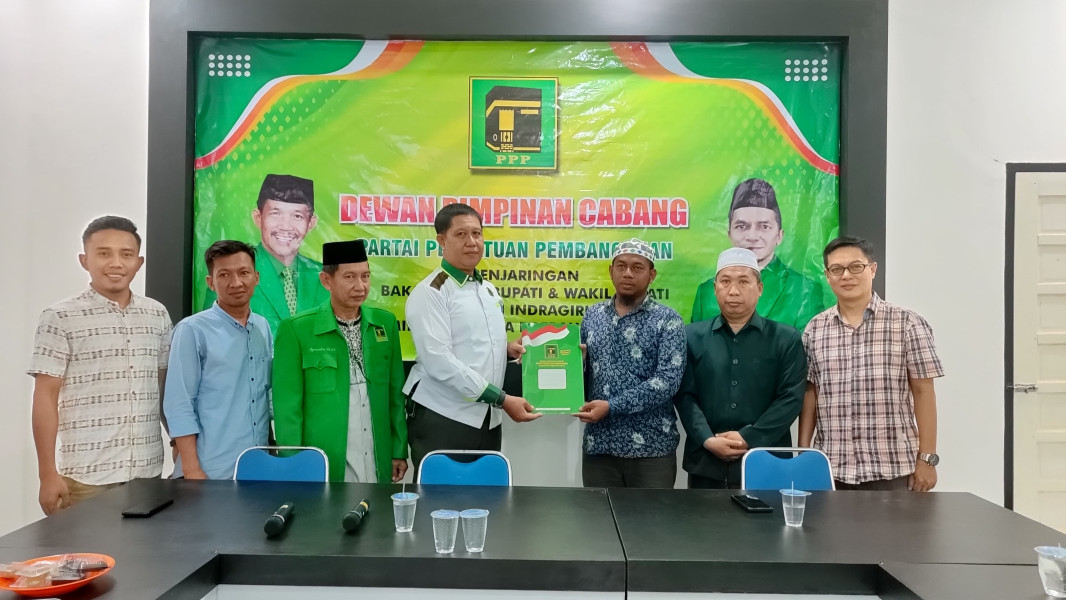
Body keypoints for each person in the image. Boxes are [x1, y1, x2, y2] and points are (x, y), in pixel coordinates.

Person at [28, 216, 172, 514]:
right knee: (87, 547)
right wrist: (47, 475)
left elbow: (163, 390)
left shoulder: (157, 315)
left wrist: (177, 444)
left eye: (126, 254)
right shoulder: (59, 317)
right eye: (104, 253)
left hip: (147, 473)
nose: (116, 263)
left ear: (139, 262)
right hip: (87, 477)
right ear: (84, 260)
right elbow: (45, 396)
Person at [404, 203, 541, 476]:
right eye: (461, 234)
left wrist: (507, 350)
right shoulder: (431, 292)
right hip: (444, 416)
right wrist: (501, 399)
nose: (472, 242)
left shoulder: (487, 290)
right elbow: (439, 361)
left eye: (477, 234)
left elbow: (472, 343)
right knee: (440, 498)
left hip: (487, 419)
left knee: (486, 496)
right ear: (442, 240)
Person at [799, 236, 943, 491]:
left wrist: (927, 459)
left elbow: (924, 392)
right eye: (837, 269)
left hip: (893, 468)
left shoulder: (907, 323)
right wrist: (803, 454)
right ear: (828, 276)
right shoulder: (815, 329)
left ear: (872, 269)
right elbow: (811, 394)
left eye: (856, 267)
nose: (846, 276)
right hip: (832, 470)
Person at [273, 240, 409, 483]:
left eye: (365, 276)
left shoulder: (385, 323)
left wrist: (398, 449)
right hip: (325, 456)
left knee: (376, 506)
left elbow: (395, 395)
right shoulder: (296, 330)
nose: (360, 286)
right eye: (349, 277)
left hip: (376, 450)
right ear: (326, 281)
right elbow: (288, 408)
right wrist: (294, 463)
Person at [675, 248, 807, 489]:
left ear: (760, 288)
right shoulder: (691, 336)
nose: (733, 291)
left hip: (766, 461)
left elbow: (790, 398)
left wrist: (749, 438)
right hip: (706, 462)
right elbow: (685, 395)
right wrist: (706, 439)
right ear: (715, 288)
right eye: (725, 282)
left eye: (743, 282)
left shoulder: (785, 338)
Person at [576, 238, 687, 488]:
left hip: (651, 450)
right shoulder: (592, 316)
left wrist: (611, 406)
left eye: (637, 267)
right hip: (599, 447)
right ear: (611, 271)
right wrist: (573, 367)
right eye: (621, 266)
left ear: (651, 275)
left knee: (650, 516)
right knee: (598, 514)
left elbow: (667, 382)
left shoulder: (668, 320)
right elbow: (583, 377)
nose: (627, 273)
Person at [164, 240, 272, 479]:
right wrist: (191, 468)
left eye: (244, 273)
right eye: (224, 275)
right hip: (209, 471)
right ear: (210, 282)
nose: (236, 282)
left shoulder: (262, 327)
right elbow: (179, 403)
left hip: (257, 468)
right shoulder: (192, 330)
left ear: (256, 277)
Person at [202, 174, 329, 335]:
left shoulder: (325, 277)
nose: (285, 226)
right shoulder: (231, 275)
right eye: (276, 213)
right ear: (258, 217)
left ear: (311, 223)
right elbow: (211, 335)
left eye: (297, 216)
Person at [691, 178, 825, 329]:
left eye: (764, 226)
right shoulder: (706, 292)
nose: (752, 236)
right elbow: (699, 340)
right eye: (741, 226)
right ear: (729, 234)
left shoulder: (805, 290)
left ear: (779, 235)